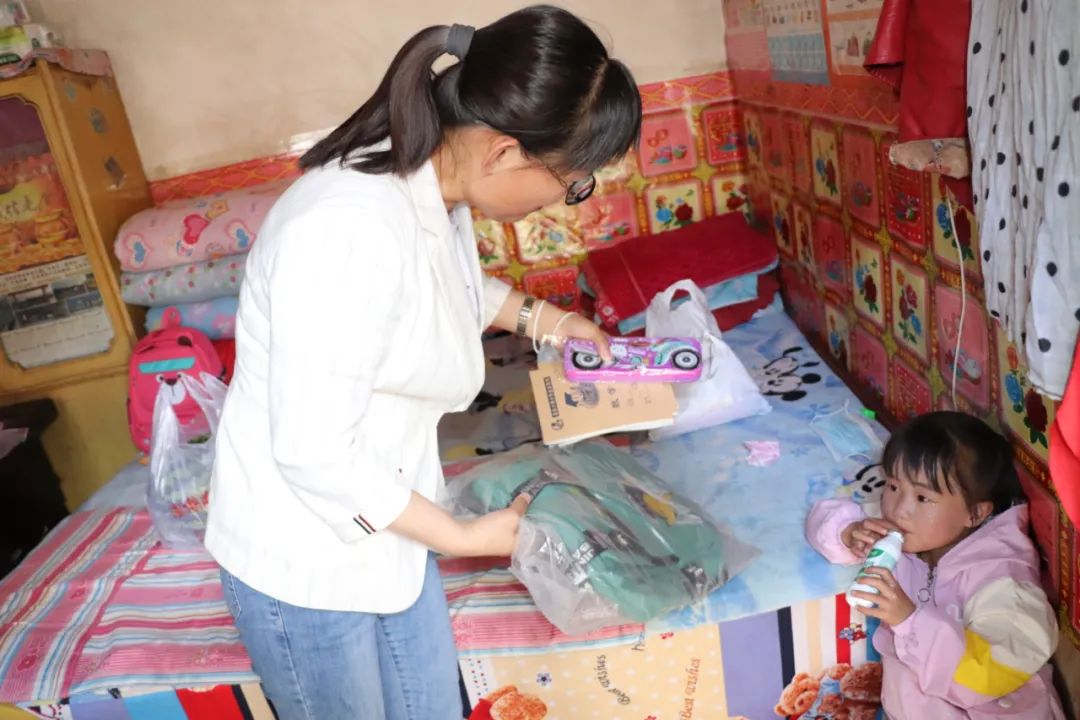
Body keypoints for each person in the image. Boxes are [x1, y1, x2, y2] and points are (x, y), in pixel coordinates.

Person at [203, 6, 641, 719]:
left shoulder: (433, 182)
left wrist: (550, 321)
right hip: (304, 557)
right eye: (574, 181)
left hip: (391, 522)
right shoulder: (345, 230)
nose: (566, 200)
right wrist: (463, 537)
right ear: (503, 152)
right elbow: (312, 450)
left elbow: (444, 288)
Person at [806, 411, 1066, 719]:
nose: (899, 510)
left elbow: (984, 677)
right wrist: (848, 532)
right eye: (893, 486)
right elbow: (820, 518)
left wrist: (909, 621)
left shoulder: (1004, 581)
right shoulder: (910, 532)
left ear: (975, 513)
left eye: (922, 498)